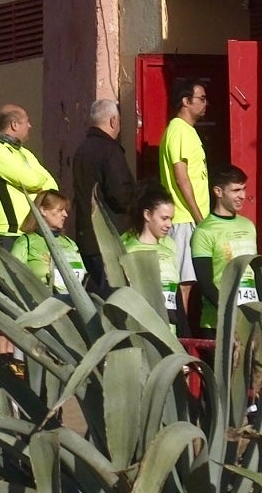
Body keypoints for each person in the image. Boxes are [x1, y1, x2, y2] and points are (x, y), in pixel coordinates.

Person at [69, 98, 135, 292]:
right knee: (113, 297)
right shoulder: (110, 151)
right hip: (109, 239)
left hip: (86, 237)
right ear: (114, 121)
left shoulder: (82, 150)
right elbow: (120, 195)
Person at [0, 104, 57, 252]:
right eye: (27, 121)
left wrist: (37, 181)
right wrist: (37, 181)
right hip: (8, 235)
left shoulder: (24, 152)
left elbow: (52, 187)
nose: (30, 126)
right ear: (14, 125)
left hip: (30, 235)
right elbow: (32, 181)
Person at [190, 165, 260, 335]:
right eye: (236, 190)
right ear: (218, 192)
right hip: (218, 324)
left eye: (243, 189)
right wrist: (229, 311)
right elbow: (205, 283)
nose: (242, 196)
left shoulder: (248, 226)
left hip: (250, 322)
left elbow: (256, 271)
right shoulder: (204, 231)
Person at [160, 79, 210, 285]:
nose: (206, 103)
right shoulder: (178, 130)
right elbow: (182, 178)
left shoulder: (187, 131)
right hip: (185, 218)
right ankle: (180, 319)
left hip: (192, 218)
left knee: (193, 279)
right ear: (186, 101)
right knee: (184, 282)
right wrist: (198, 218)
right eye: (202, 98)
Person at [123, 182, 185, 329]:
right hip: (143, 334)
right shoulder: (129, 251)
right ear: (147, 215)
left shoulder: (169, 251)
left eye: (171, 218)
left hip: (170, 335)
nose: (169, 224)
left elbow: (176, 298)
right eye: (164, 218)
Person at [16, 190, 84, 291]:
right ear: (43, 210)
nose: (65, 215)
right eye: (60, 210)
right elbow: (13, 275)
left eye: (66, 210)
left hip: (71, 304)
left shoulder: (70, 243)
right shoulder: (26, 242)